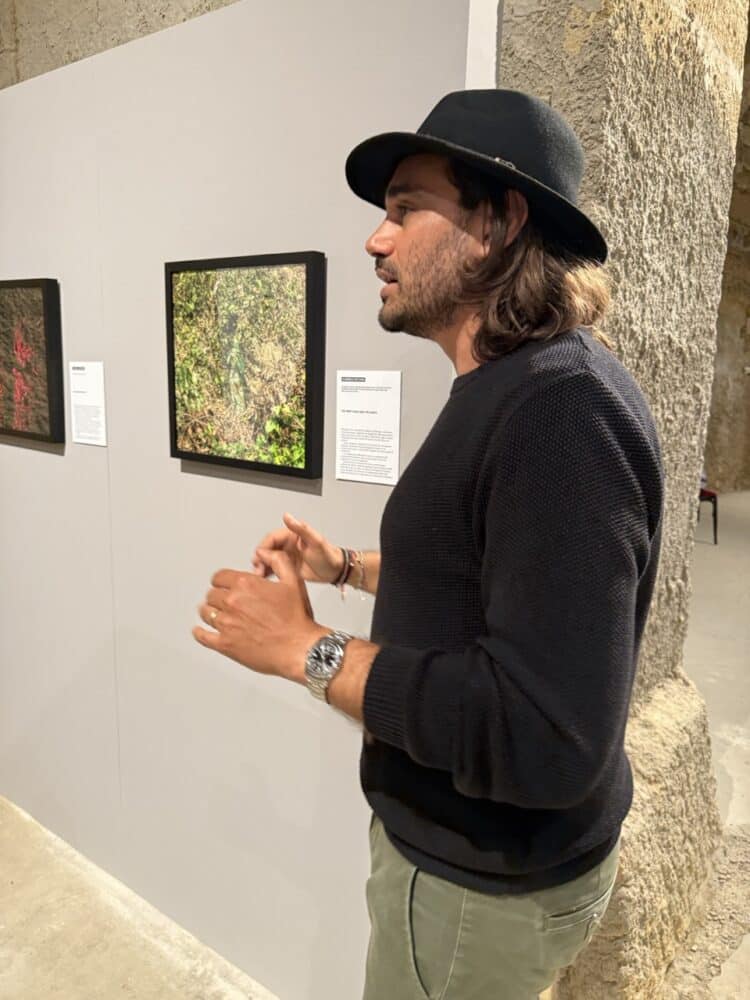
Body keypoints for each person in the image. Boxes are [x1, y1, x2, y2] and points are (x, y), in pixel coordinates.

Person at [193, 89, 665, 999]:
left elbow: (547, 734)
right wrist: (346, 568)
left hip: (476, 894)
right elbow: (490, 576)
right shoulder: (520, 387)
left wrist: (304, 648)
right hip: (475, 876)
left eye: (407, 209)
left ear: (496, 223)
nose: (377, 240)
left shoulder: (559, 413)